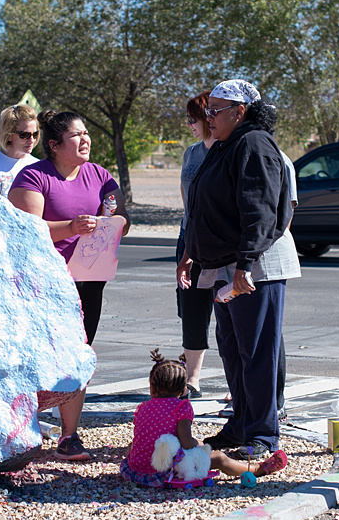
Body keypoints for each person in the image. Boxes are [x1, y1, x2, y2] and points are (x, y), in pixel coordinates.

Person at [177, 79, 295, 461]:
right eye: (207, 110)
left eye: (214, 110)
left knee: (256, 350)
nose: (207, 117)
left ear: (239, 112)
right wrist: (192, 251)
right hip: (224, 265)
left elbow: (260, 208)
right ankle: (242, 422)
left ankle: (262, 432)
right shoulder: (226, 145)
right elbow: (205, 206)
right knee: (233, 348)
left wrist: (246, 263)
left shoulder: (254, 144)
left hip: (252, 267)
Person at [9, 110, 130, 462]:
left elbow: (120, 217)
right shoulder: (34, 176)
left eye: (87, 133)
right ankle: (20, 428)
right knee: (34, 353)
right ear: (54, 145)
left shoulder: (100, 176)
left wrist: (113, 222)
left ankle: (69, 435)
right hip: (44, 280)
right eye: (77, 135)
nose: (86, 139)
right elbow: (27, 229)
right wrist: (71, 227)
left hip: (89, 279)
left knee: (79, 353)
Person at [120, 350, 288, 487]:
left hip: (136, 470)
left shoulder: (143, 407)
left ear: (151, 387)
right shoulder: (181, 407)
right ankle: (256, 469)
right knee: (219, 458)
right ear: (184, 389)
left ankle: (141, 464)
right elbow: (186, 442)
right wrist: (199, 445)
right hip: (165, 471)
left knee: (136, 444)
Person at [176, 91, 217, 399]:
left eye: (193, 119)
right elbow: (186, 198)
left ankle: (238, 382)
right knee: (191, 310)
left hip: (218, 242)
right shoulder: (191, 153)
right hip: (189, 238)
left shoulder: (228, 150)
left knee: (230, 313)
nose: (189, 124)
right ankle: (193, 380)